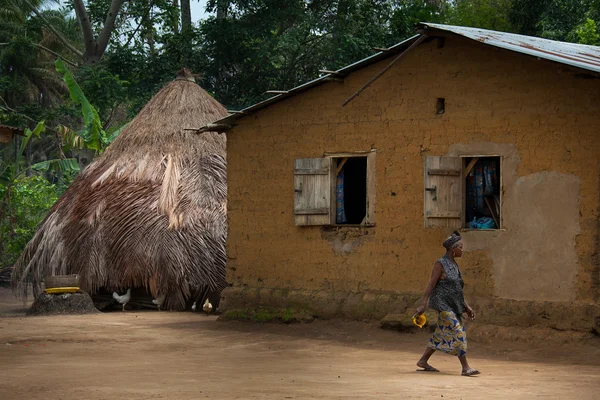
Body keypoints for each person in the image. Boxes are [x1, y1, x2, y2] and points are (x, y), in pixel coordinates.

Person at [414, 230, 480, 376]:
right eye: (460, 247)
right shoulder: (440, 264)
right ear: (453, 249)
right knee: (458, 332)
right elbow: (431, 284)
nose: (462, 250)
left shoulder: (454, 265)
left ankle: (423, 360)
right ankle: (465, 368)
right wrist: (423, 304)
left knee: (440, 334)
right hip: (443, 305)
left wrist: (466, 307)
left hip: (454, 305)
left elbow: (457, 290)